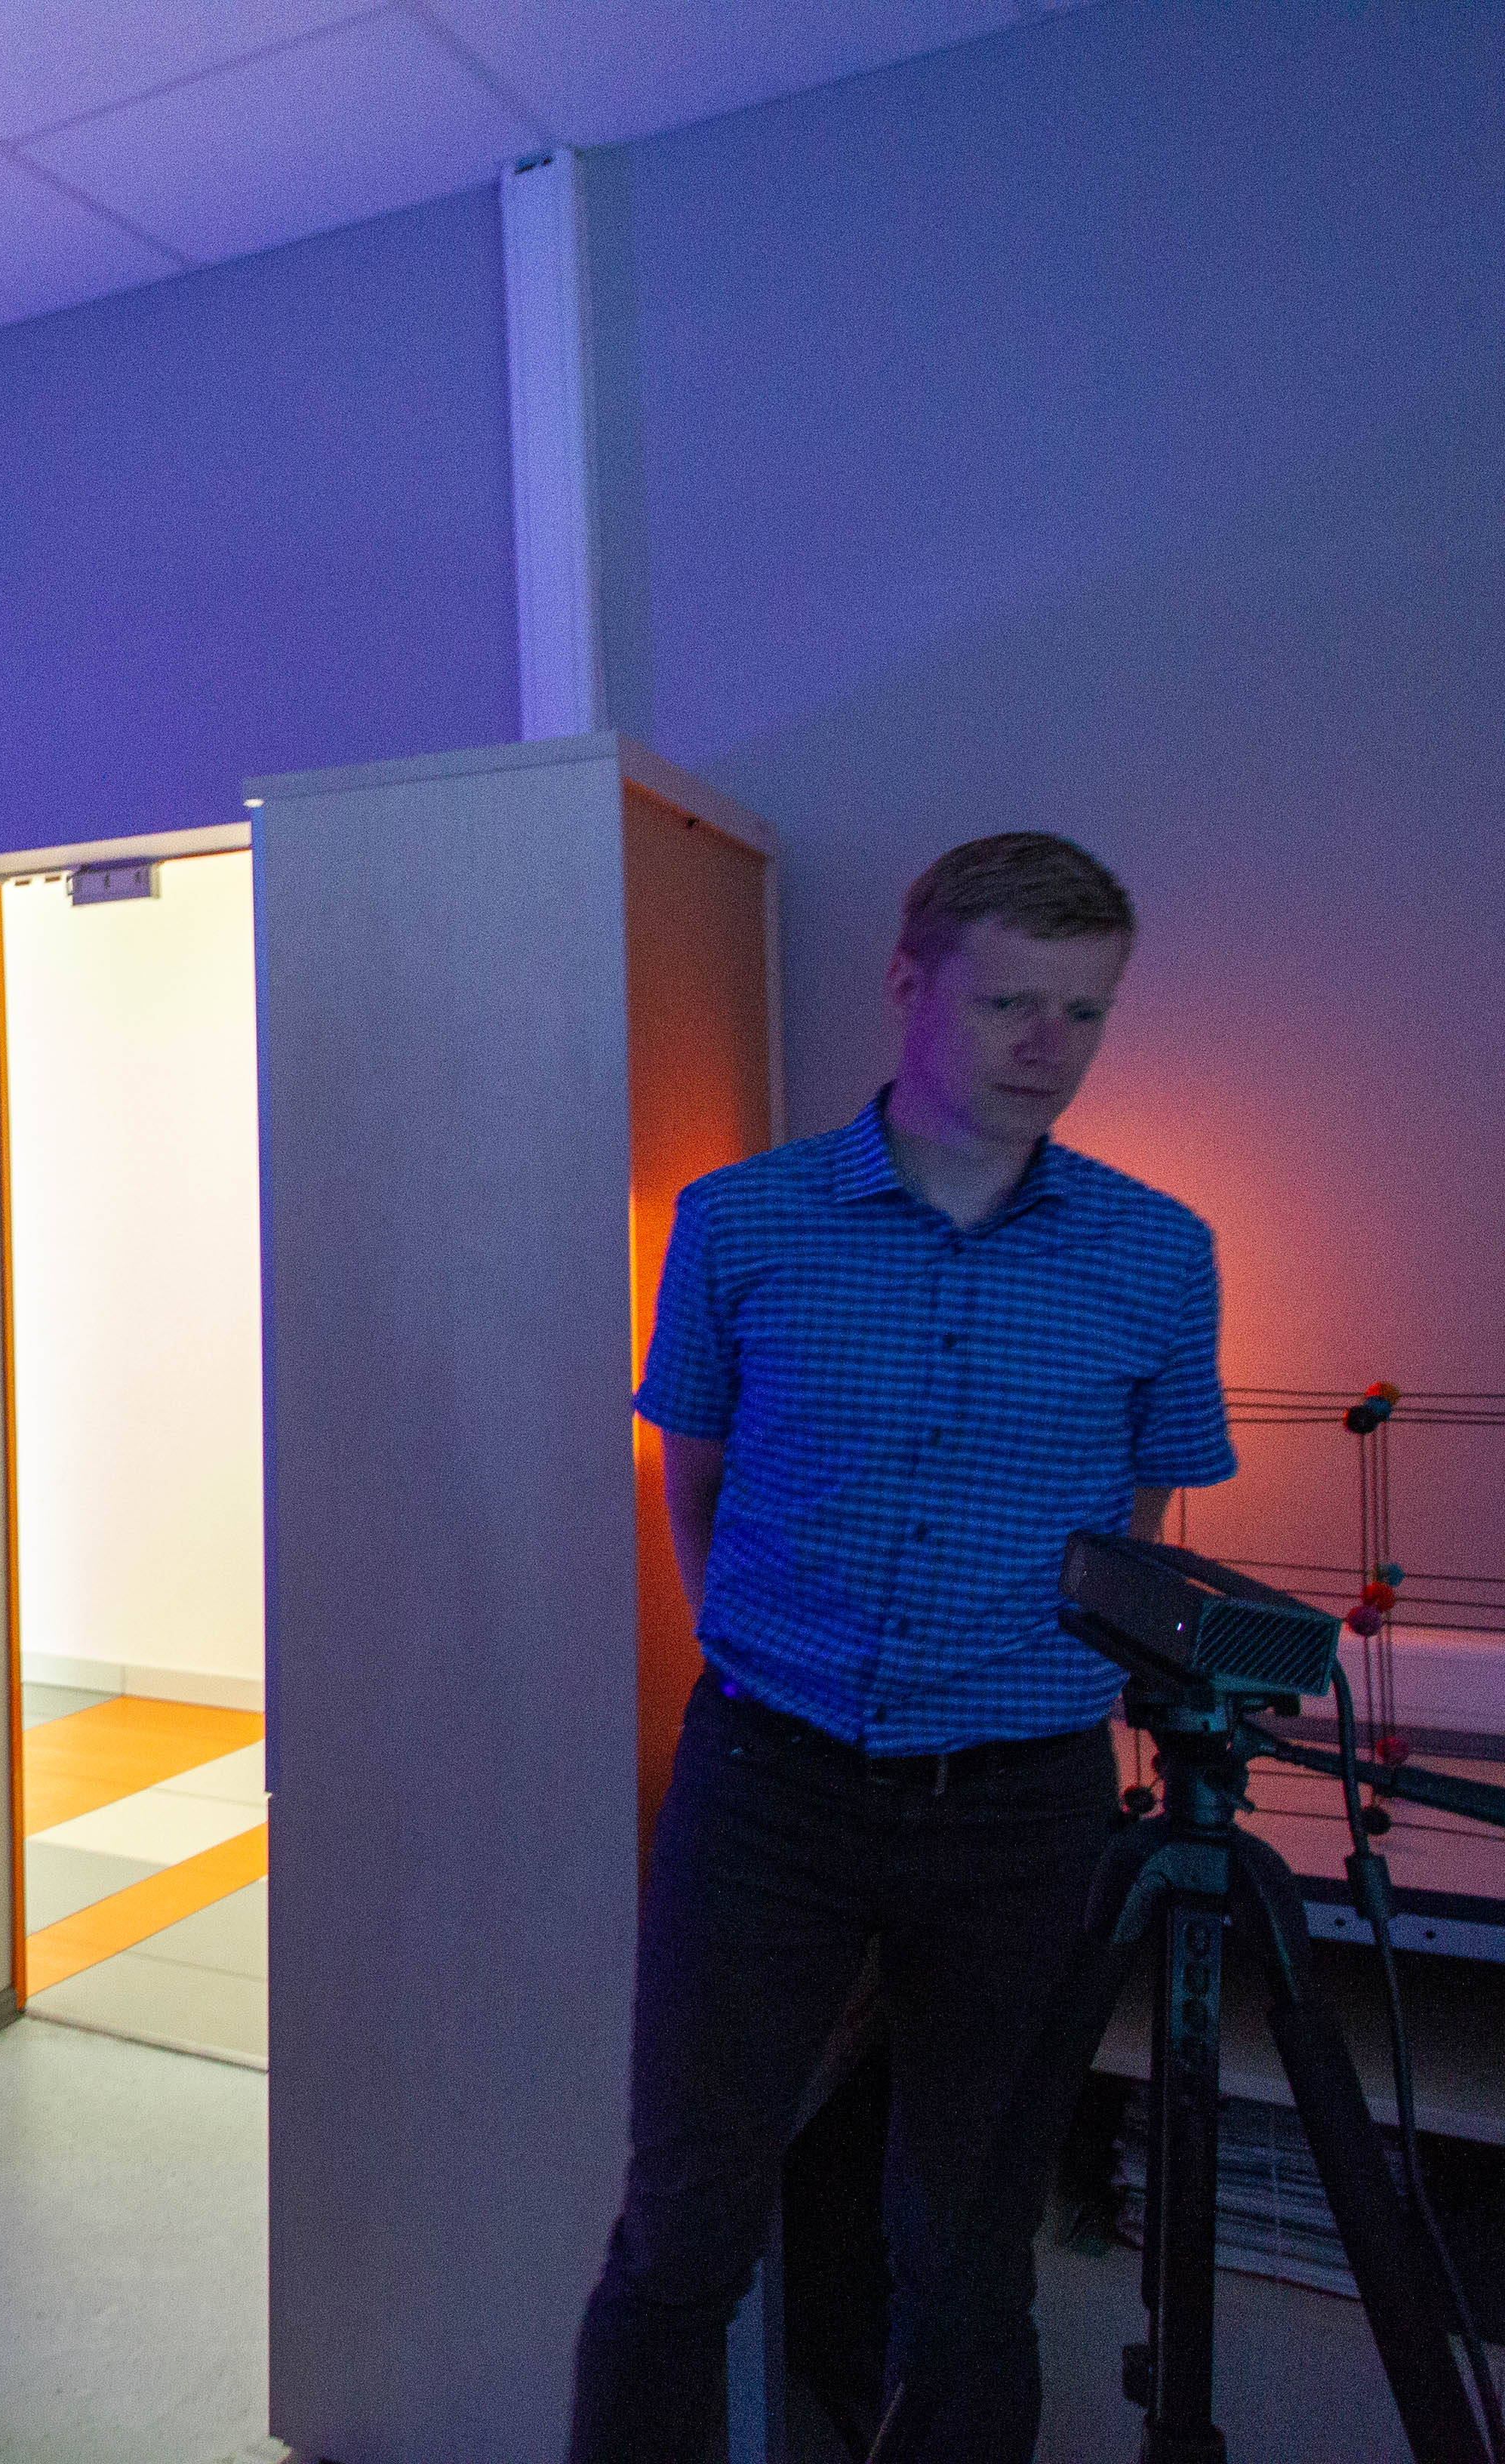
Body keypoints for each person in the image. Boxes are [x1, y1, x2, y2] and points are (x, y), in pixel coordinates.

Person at [568, 833, 1236, 2464]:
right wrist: (768, 1659)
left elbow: (1136, 1533)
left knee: (965, 2257)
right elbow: (695, 1485)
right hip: (771, 1787)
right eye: (1010, 1002)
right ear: (908, 984)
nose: (1048, 1047)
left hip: (1022, 1813)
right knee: (680, 2232)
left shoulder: (1159, 1253)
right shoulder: (740, 1223)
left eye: (1085, 1011)